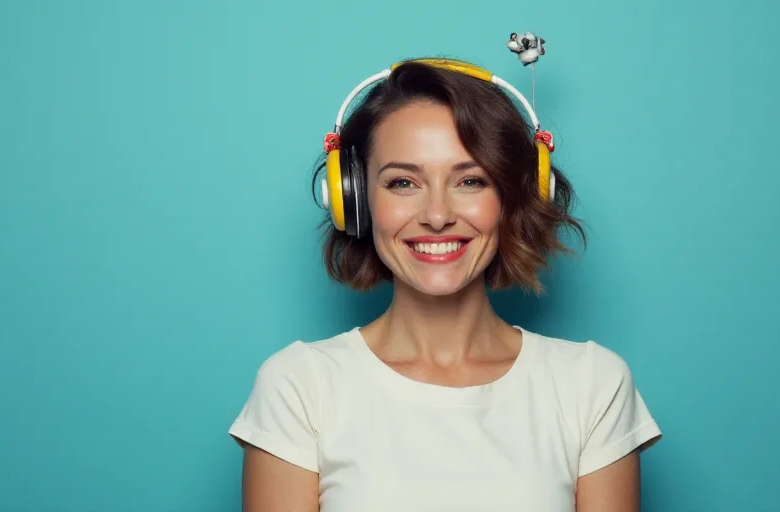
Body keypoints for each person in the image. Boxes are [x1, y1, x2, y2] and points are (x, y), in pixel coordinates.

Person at [228, 57, 662, 512]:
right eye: (403, 182)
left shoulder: (591, 386)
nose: (437, 216)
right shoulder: (298, 388)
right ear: (353, 198)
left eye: (471, 180)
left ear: (517, 198)